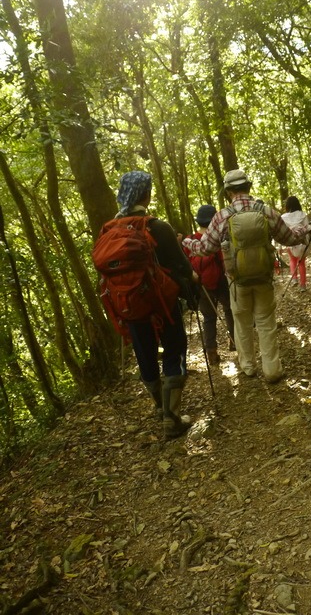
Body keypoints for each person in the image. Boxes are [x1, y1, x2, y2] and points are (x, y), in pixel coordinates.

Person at [181, 169, 311, 383]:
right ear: (249, 187)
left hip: (237, 281)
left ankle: (248, 367)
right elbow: (290, 238)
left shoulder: (222, 216)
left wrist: (186, 242)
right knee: (265, 321)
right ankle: (272, 370)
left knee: (242, 321)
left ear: (228, 192)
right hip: (264, 278)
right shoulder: (266, 211)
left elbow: (205, 248)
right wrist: (308, 229)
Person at [114, 170, 195, 440]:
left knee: (145, 356)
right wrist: (192, 286)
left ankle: (160, 407)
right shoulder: (157, 227)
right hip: (162, 304)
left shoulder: (110, 231)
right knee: (174, 350)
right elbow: (181, 265)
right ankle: (171, 418)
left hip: (130, 308)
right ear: (146, 195)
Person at [184, 204, 235, 366]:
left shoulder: (190, 240)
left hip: (200, 284)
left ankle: (211, 352)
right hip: (221, 280)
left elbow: (186, 264)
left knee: (208, 318)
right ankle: (234, 341)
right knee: (229, 310)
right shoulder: (218, 238)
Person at [281, 196, 310, 291]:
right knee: (301, 263)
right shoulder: (303, 214)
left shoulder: (283, 217)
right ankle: (303, 285)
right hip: (302, 242)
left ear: (287, 205)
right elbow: (308, 227)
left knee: (292, 260)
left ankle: (294, 279)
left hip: (290, 242)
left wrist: (280, 245)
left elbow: (282, 231)